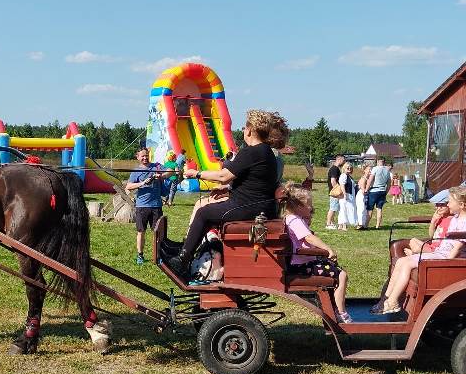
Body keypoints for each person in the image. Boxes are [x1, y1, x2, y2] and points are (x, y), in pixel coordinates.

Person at [166, 109, 289, 279]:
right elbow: (254, 181)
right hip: (258, 205)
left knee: (204, 213)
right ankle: (189, 250)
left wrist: (196, 173)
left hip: (249, 207)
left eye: (245, 128)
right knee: (207, 210)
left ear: (250, 130)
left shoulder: (252, 151)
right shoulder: (265, 151)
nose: (243, 131)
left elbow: (223, 176)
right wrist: (227, 189)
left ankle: (182, 260)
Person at [372, 186, 466, 315]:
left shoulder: (464, 222)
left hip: (446, 257)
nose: (447, 204)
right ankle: (386, 299)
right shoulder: (455, 219)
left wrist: (445, 263)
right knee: (402, 261)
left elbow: (457, 247)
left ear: (461, 204)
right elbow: (437, 236)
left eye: (449, 202)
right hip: (440, 252)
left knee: (408, 263)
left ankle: (393, 302)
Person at [281, 182, 352, 323]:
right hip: (302, 266)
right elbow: (309, 238)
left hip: (302, 262)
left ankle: (335, 307)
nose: (311, 207)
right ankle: (341, 312)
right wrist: (327, 249)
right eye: (309, 204)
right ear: (298, 207)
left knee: (336, 270)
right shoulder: (295, 220)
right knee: (341, 275)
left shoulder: (292, 219)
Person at [125, 147, 168, 265]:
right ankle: (140, 255)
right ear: (138, 157)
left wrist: (161, 176)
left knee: (158, 232)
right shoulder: (136, 171)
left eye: (146, 155)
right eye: (142, 156)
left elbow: (170, 171)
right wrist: (143, 183)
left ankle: (159, 256)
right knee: (141, 231)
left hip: (156, 206)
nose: (145, 158)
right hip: (142, 206)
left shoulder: (157, 167)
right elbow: (128, 186)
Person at [366, 157, 392, 228]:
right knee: (379, 209)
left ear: (377, 161)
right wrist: (386, 192)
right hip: (382, 190)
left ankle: (366, 225)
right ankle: (378, 225)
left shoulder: (375, 168)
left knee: (370, 209)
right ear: (384, 162)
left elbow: (370, 180)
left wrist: (366, 189)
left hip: (374, 191)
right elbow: (389, 183)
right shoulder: (387, 170)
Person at [325, 155, 345, 230]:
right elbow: (333, 180)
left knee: (335, 208)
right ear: (339, 159)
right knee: (332, 208)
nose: (344, 162)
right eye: (343, 160)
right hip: (334, 193)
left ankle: (332, 223)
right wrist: (338, 190)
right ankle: (328, 223)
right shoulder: (334, 169)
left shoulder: (336, 168)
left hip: (334, 192)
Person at [337, 161, 356, 231]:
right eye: (347, 168)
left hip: (349, 195)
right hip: (346, 195)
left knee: (343, 210)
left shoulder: (349, 177)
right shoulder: (343, 175)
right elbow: (342, 185)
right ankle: (344, 225)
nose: (349, 169)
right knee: (345, 210)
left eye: (350, 168)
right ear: (344, 168)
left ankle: (340, 225)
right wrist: (345, 194)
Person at [355, 165, 372, 229]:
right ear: (364, 170)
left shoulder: (368, 178)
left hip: (364, 195)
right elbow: (363, 190)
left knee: (364, 209)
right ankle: (360, 224)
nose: (370, 171)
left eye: (371, 169)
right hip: (361, 196)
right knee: (361, 209)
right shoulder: (363, 178)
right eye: (369, 169)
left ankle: (363, 224)